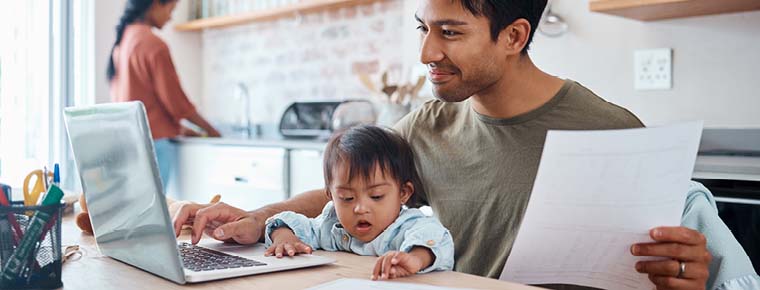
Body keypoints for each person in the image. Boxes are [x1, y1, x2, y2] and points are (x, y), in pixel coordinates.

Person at [173, 1, 759, 289]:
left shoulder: (608, 130)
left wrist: (692, 275)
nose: (428, 53)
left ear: (514, 36)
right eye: (424, 28)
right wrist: (255, 218)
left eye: (450, 32)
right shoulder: (427, 125)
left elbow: (677, 265)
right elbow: (346, 193)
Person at [263, 125, 454, 280]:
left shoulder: (407, 226)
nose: (360, 208)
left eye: (376, 196)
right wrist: (284, 237)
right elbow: (288, 222)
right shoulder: (332, 226)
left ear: (403, 193)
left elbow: (436, 239)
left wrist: (414, 259)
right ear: (331, 195)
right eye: (347, 198)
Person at [108, 0, 221, 190]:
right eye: (171, 9)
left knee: (142, 210)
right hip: (154, 144)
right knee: (160, 210)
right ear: (155, 5)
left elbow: (137, 98)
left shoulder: (124, 40)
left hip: (129, 140)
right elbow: (177, 103)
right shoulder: (153, 44)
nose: (171, 16)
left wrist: (177, 128)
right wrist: (212, 131)